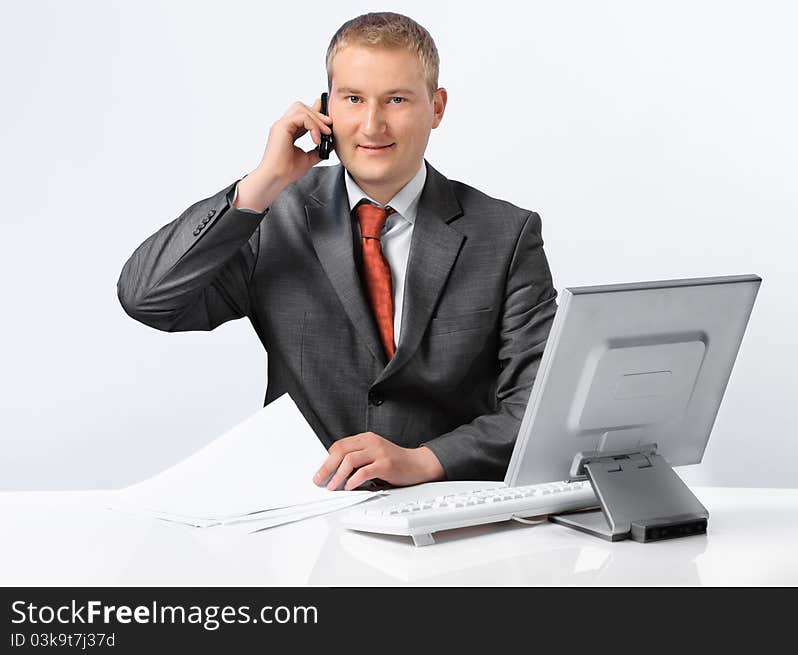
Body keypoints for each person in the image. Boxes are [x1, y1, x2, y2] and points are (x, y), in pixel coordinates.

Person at [117, 12, 557, 491]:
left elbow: (540, 404)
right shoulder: (272, 219)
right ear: (326, 108)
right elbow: (148, 298)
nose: (372, 124)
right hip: (304, 515)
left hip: (447, 512)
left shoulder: (506, 233)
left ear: (436, 107)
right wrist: (261, 184)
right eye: (353, 99)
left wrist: (425, 460)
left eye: (396, 99)